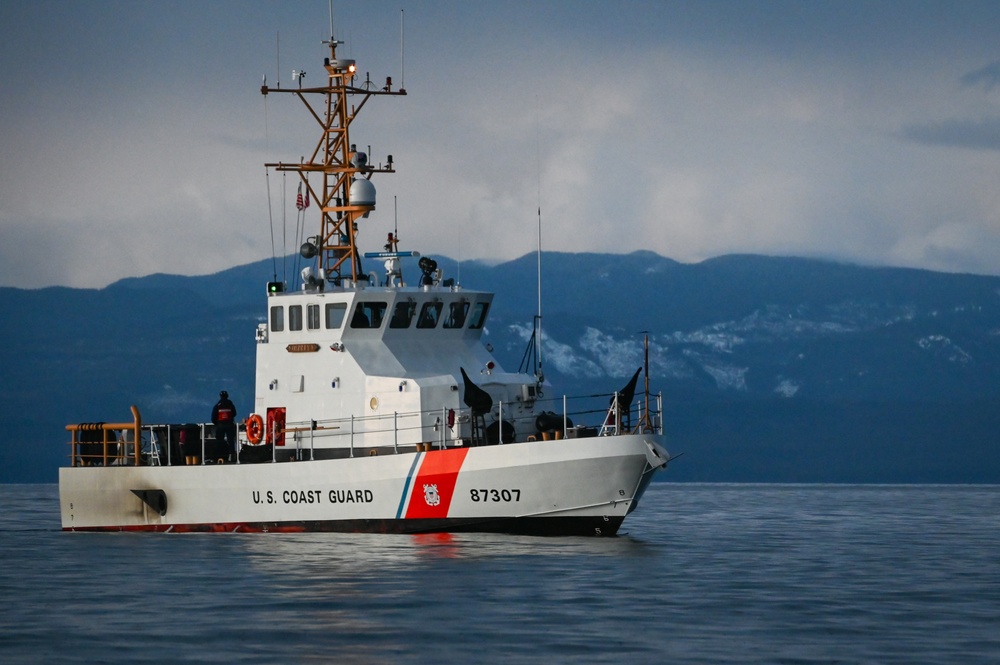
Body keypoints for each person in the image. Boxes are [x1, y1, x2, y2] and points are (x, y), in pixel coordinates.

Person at [211, 390, 238, 462]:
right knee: (231, 441)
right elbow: (234, 413)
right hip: (229, 425)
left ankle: (220, 456)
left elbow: (213, 417)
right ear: (227, 396)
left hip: (220, 425)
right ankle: (232, 456)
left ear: (220, 396)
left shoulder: (217, 405)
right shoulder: (230, 404)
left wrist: (217, 423)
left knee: (219, 441)